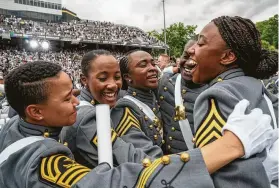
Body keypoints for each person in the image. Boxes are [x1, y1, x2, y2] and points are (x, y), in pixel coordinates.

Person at [0, 61, 276, 188]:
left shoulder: (20, 127)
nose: (76, 101)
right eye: (66, 98)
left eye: (74, 92)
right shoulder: (41, 161)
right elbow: (112, 183)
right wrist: (229, 146)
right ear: (35, 111)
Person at [187, 16, 278, 186]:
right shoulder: (254, 84)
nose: (191, 49)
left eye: (200, 44)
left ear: (228, 56)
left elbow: (224, 182)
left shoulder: (217, 95)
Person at [60, 50, 163, 168]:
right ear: (84, 80)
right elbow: (129, 158)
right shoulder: (86, 117)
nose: (113, 85)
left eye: (117, 77)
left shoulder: (99, 102)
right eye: (103, 78)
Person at [158, 39, 208, 154]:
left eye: (197, 58)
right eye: (186, 56)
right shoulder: (165, 83)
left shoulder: (215, 90)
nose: (190, 62)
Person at [112, 50, 164, 147]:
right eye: (143, 65)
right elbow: (143, 155)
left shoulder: (153, 97)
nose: (153, 69)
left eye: (153, 64)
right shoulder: (124, 109)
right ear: (127, 77)